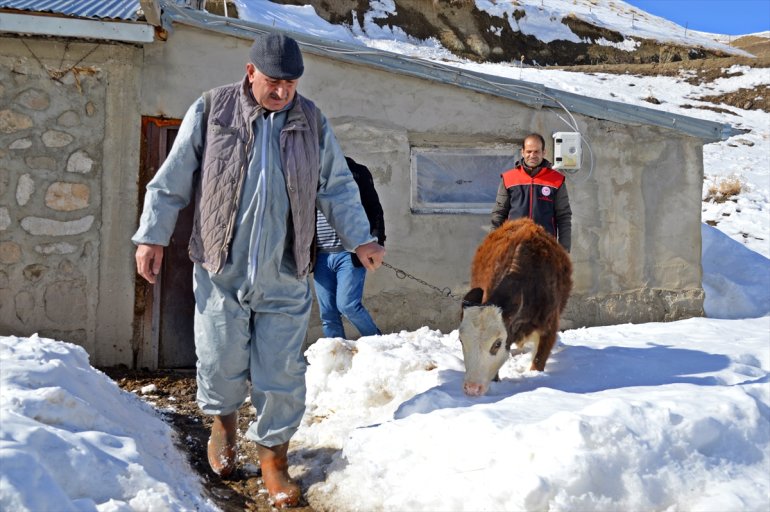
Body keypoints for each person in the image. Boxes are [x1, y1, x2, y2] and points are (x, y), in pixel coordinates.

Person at [132, 33, 385, 508]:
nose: (283, 91)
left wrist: (361, 239)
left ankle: (273, 458)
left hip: (286, 270)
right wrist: (152, 235)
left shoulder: (311, 121)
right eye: (274, 81)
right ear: (251, 72)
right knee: (220, 358)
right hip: (220, 267)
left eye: (291, 82)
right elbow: (172, 177)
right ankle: (223, 423)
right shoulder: (213, 109)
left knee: (281, 372)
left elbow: (336, 186)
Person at [313, 156, 385, 339]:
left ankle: (378, 344)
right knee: (328, 313)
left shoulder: (355, 173)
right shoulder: (309, 175)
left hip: (350, 253)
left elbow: (374, 208)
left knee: (348, 305)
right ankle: (336, 356)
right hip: (321, 255)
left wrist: (376, 242)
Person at [490, 133, 572, 251]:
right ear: (522, 152)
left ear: (544, 152)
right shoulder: (508, 179)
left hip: (545, 249)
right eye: (529, 151)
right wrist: (494, 246)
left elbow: (563, 216)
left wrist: (564, 250)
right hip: (514, 248)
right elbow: (499, 214)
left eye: (536, 151)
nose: (532, 155)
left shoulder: (556, 180)